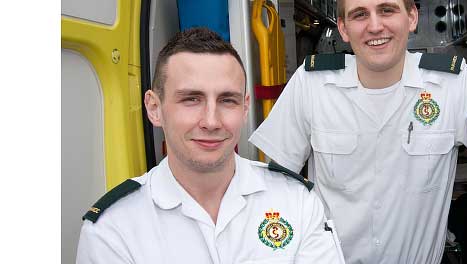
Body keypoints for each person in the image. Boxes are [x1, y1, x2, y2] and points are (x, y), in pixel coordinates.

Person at [76, 28, 344, 264]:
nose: (211, 121)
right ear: (154, 108)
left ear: (244, 107)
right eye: (191, 99)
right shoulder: (113, 229)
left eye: (227, 100)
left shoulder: (296, 202)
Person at [250, 0, 467, 262]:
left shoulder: (453, 84)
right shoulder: (312, 84)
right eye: (360, 14)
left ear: (411, 17)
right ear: (343, 28)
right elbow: (278, 184)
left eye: (387, 10)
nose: (375, 26)